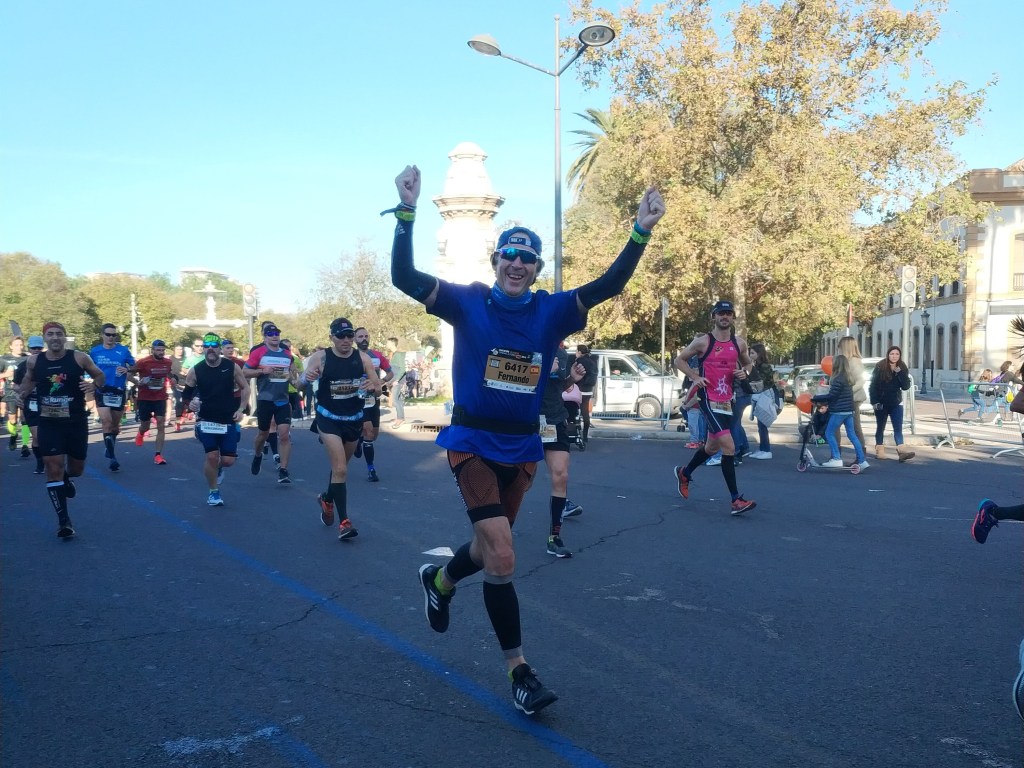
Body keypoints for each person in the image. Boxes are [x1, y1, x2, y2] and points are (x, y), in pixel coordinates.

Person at [390, 164, 664, 715]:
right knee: (506, 555)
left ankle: (440, 580)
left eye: (528, 258)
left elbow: (609, 285)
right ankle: (520, 671)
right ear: (495, 263)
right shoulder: (467, 301)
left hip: (522, 447)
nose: (517, 265)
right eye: (509, 256)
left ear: (537, 268)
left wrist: (641, 230)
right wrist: (406, 211)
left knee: (491, 549)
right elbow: (404, 278)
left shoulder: (551, 310)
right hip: (470, 439)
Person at [18, 322, 106, 537]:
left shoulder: (79, 357)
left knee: (76, 469)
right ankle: (64, 522)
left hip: (75, 421)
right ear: (45, 338)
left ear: (65, 337)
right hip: (48, 421)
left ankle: (67, 478)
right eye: (51, 334)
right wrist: (21, 395)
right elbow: (29, 382)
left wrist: (93, 385)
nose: (55, 337)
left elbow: (100, 376)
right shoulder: (34, 360)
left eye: (59, 334)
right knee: (52, 467)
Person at [672, 301, 757, 514]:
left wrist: (744, 372)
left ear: (733, 318)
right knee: (729, 446)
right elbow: (679, 360)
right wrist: (695, 377)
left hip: (728, 400)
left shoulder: (739, 343)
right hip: (708, 399)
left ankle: (684, 472)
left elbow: (748, 364)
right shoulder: (703, 342)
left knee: (712, 448)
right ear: (714, 316)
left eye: (728, 313)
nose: (725, 317)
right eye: (721, 313)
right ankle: (736, 500)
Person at [300, 317, 382, 540]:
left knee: (340, 468)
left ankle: (327, 498)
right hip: (328, 419)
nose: (346, 340)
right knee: (341, 469)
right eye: (341, 336)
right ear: (332, 337)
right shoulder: (321, 357)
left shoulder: (363, 358)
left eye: (349, 336)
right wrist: (306, 378)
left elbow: (378, 389)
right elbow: (299, 384)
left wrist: (372, 387)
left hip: (353, 418)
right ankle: (344, 522)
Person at [180, 333, 249, 506]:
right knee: (211, 456)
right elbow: (186, 394)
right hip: (206, 419)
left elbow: (246, 388)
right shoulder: (196, 370)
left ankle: (218, 468)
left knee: (227, 461)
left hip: (228, 419)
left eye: (213, 346)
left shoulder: (231, 367)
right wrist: (191, 404)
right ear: (203, 349)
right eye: (206, 346)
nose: (210, 349)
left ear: (219, 348)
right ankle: (213, 492)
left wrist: (241, 409)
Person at [540, 347, 587, 558]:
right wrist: (541, 370)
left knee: (561, 474)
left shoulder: (560, 353)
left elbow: (557, 386)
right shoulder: (526, 344)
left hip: (554, 421)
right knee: (522, 482)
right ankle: (496, 532)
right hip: (527, 422)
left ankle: (554, 538)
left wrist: (571, 379)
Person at [245, 323, 296, 484]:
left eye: (277, 333)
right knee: (263, 434)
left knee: (284, 435)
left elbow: (294, 376)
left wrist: (301, 380)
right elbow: (244, 371)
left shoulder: (287, 354)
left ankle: (283, 469)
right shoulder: (259, 352)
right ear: (265, 337)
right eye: (270, 333)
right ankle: (258, 455)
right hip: (265, 399)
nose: (274, 336)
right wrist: (261, 371)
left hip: (282, 400)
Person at [89, 322, 136, 472]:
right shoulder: (95, 352)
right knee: (106, 422)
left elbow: (135, 367)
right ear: (102, 335)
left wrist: (128, 369)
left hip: (118, 390)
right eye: (108, 334)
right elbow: (87, 368)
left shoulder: (123, 351)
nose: (111, 337)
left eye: (113, 335)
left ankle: (110, 446)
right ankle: (112, 457)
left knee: (115, 427)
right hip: (102, 389)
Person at [353, 327, 394, 482]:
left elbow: (390, 373)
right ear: (355, 339)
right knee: (368, 431)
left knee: (373, 435)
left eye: (366, 336)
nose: (364, 339)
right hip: (358, 399)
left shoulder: (377, 355)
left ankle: (359, 440)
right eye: (360, 336)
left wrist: (379, 382)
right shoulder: (351, 356)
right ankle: (371, 469)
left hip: (374, 399)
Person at [820, 354, 868, 469]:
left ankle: (836, 458)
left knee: (829, 433)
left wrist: (819, 398)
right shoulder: (848, 378)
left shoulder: (837, 378)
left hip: (839, 411)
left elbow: (833, 395)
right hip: (849, 410)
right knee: (852, 435)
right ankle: (862, 460)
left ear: (835, 364)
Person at [868, 346, 915, 462]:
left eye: (897, 354)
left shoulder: (902, 367)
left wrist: (900, 373)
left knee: (898, 428)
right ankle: (880, 450)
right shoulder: (880, 366)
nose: (894, 356)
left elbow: (906, 386)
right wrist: (874, 402)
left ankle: (902, 452)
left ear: (899, 356)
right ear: (888, 354)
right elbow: (873, 385)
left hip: (896, 403)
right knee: (880, 427)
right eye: (892, 354)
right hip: (881, 402)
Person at [132, 340, 174, 464]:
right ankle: (141, 433)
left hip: (160, 397)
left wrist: (173, 379)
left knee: (161, 424)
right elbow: (129, 374)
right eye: (158, 350)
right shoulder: (144, 362)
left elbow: (169, 373)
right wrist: (138, 382)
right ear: (153, 350)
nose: (161, 352)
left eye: (163, 350)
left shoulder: (168, 362)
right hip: (145, 398)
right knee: (145, 425)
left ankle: (158, 455)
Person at [12, 336, 46, 472]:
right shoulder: (22, 366)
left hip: (48, 403)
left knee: (48, 435)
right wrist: (21, 392)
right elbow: (15, 386)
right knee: (37, 436)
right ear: (29, 349)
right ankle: (40, 461)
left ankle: (51, 458)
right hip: (31, 403)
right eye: (34, 348)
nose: (36, 350)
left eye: (39, 348)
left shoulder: (49, 364)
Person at [746, 342, 781, 459]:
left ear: (759, 354)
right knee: (760, 424)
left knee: (763, 423)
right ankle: (762, 448)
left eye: (752, 353)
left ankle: (766, 450)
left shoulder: (764, 366)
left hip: (765, 395)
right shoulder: (757, 365)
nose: (750, 355)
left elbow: (762, 380)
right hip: (761, 395)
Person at [834, 335, 867, 452]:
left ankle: (859, 453)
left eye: (840, 347)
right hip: (847, 398)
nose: (838, 349)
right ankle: (839, 451)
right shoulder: (846, 361)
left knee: (853, 426)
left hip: (852, 398)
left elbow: (861, 380)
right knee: (840, 425)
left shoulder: (854, 362)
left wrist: (847, 392)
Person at [2, 336, 28, 452]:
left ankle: (25, 445)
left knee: (24, 419)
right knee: (12, 419)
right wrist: (6, 374)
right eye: (16, 345)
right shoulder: (4, 359)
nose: (19, 347)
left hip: (24, 391)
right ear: (11, 346)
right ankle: (13, 436)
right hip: (10, 391)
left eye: (21, 345)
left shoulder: (28, 358)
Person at [574, 344, 598, 447]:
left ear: (579, 352)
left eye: (576, 351)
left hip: (579, 389)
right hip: (588, 390)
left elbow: (575, 374)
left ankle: (575, 433)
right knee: (585, 413)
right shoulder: (593, 361)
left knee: (574, 411)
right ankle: (585, 435)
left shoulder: (579, 361)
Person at [386, 337, 406, 428]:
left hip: (397, 381)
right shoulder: (393, 354)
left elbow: (402, 369)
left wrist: (396, 380)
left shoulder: (398, 354)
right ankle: (400, 417)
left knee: (395, 400)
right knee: (397, 400)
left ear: (392, 344)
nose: (386, 344)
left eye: (388, 343)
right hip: (393, 381)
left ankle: (400, 419)